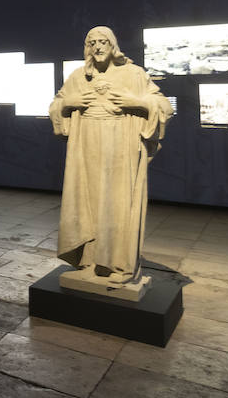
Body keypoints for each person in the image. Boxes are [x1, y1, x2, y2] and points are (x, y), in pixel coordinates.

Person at [48, 26, 172, 285]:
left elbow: (163, 106)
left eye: (103, 42)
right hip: (87, 147)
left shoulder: (134, 74)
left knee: (116, 205)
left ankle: (118, 265)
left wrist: (135, 102)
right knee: (88, 204)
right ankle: (90, 262)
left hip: (121, 147)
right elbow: (56, 104)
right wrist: (70, 103)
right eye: (92, 43)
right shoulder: (78, 77)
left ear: (113, 45)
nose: (98, 47)